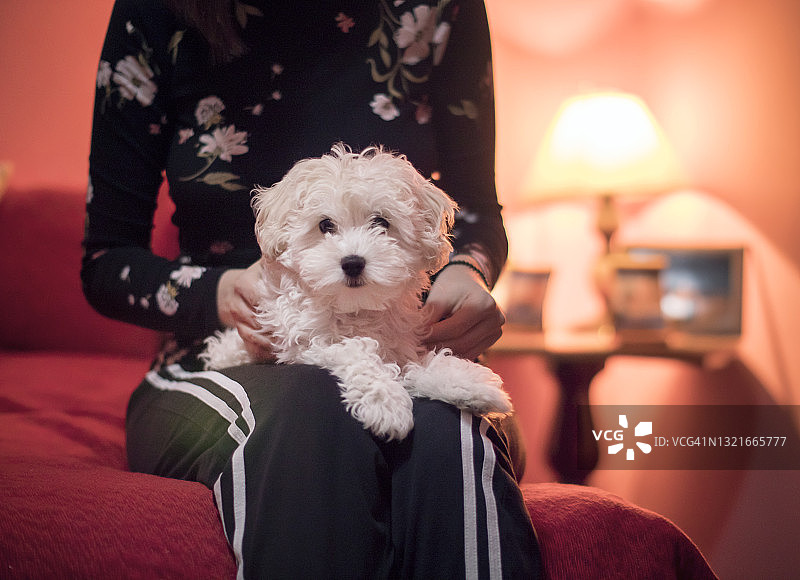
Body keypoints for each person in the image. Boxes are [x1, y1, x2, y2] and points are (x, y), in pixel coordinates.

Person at [82, 0, 542, 577]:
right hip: (220, 355)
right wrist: (219, 291)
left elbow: (475, 214)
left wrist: (466, 269)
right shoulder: (158, 12)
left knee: (448, 426)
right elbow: (105, 261)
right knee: (310, 409)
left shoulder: (439, 9)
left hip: (407, 343)